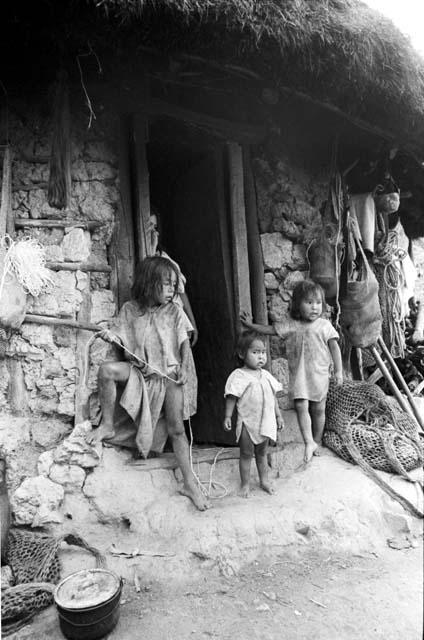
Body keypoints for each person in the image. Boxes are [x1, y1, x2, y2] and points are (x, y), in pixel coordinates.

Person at [87, 256, 209, 511]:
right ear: (148, 283)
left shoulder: (175, 311)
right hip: (139, 374)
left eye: (173, 285)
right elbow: (118, 335)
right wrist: (110, 335)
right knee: (108, 371)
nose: (171, 290)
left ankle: (190, 483)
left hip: (168, 376)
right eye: (165, 284)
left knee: (177, 429)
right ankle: (108, 425)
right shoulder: (130, 310)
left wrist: (184, 369)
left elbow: (184, 343)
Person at [241, 279, 343, 463]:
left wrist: (339, 372)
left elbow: (335, 348)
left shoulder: (324, 326)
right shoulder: (292, 324)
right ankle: (309, 441)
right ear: (297, 304)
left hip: (319, 375)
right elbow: (271, 330)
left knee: (319, 409)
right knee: (302, 406)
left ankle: (317, 440)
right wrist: (251, 325)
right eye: (309, 303)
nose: (314, 307)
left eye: (318, 303)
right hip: (299, 376)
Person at [223, 330, 284, 497]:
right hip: (248, 422)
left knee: (262, 452)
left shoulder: (266, 375)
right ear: (242, 354)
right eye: (255, 352)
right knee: (246, 453)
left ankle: (264, 480)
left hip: (265, 421)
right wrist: (228, 416)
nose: (261, 357)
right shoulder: (239, 376)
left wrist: (278, 416)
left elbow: (273, 398)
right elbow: (231, 397)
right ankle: (245, 484)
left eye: (263, 352)